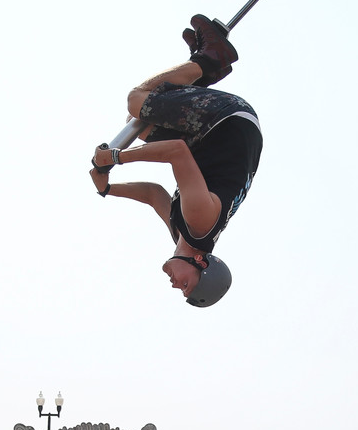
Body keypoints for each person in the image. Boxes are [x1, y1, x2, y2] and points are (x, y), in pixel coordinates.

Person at [89, 19, 261, 309]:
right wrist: (115, 157)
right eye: (185, 283)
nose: (175, 285)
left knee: (139, 126)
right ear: (199, 261)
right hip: (229, 121)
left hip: (206, 138)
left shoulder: (183, 234)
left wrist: (107, 189)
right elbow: (177, 152)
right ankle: (209, 60)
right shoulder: (200, 221)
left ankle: (198, 78)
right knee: (138, 102)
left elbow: (153, 194)